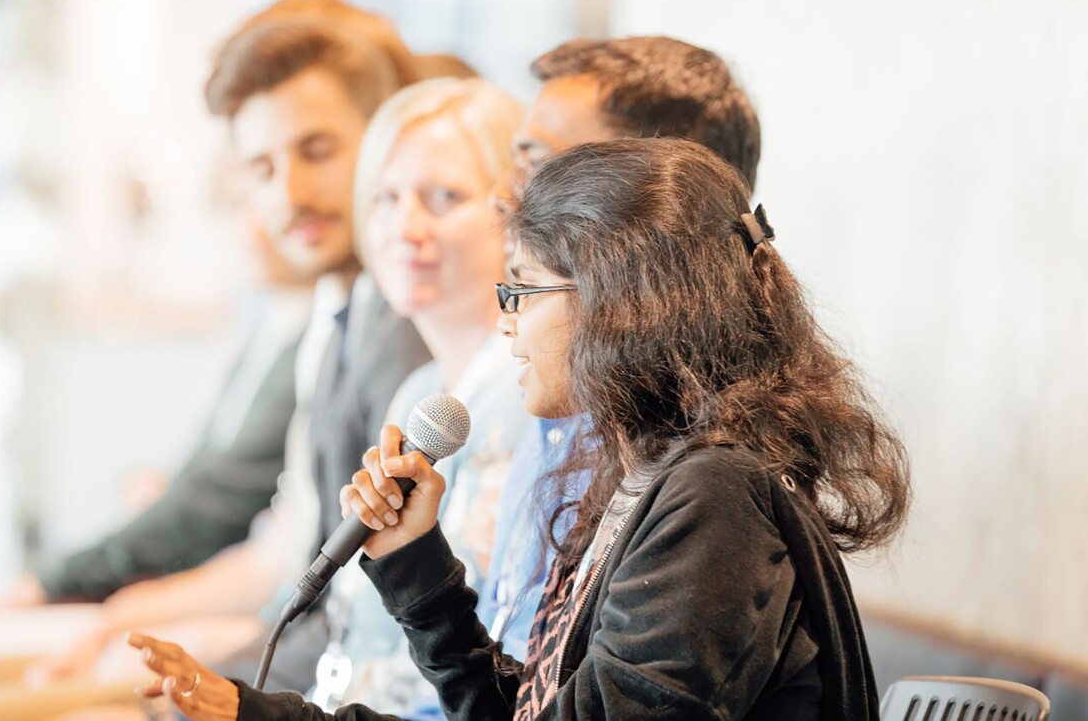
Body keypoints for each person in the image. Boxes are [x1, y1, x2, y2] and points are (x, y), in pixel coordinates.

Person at [128, 136, 911, 719]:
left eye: (525, 291)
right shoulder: (651, 475)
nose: (507, 323)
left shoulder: (712, 499)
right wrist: (409, 568)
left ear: (620, 304)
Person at [0, 0, 436, 721]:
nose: (286, 193)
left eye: (316, 150)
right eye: (259, 167)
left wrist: (218, 667)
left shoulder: (402, 331)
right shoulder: (336, 315)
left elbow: (369, 615)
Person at [477, 35, 764, 662]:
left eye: (542, 166)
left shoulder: (709, 490)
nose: (504, 193)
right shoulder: (601, 421)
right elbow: (533, 694)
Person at [307, 76, 528, 715]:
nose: (405, 226)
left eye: (443, 197)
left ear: (517, 215)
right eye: (386, 197)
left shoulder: (529, 401)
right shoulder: (422, 389)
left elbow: (501, 649)